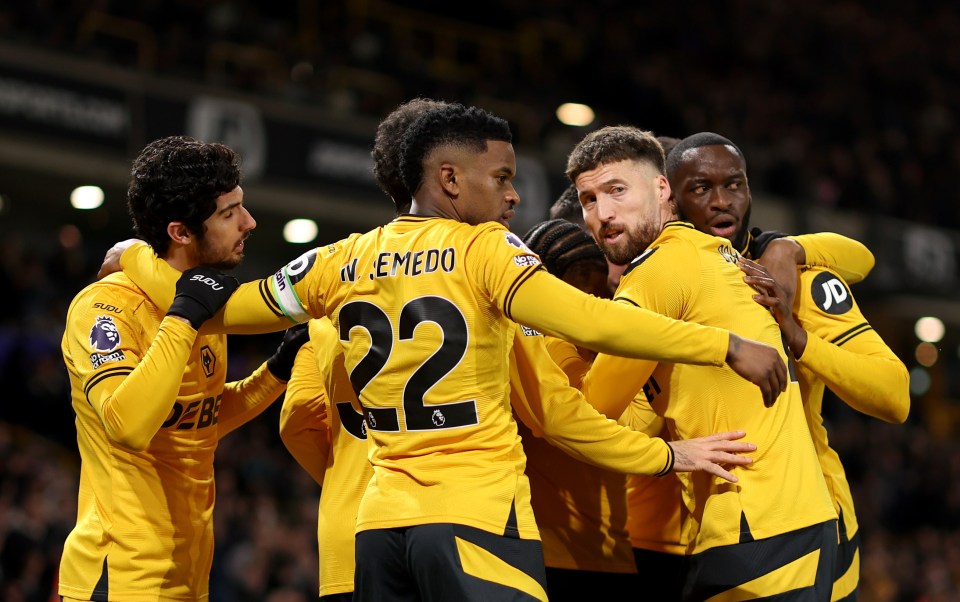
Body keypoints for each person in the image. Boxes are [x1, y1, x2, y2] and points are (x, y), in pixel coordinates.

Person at [112, 103, 787, 601]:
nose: (514, 194)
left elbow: (225, 309)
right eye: (500, 176)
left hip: (379, 531)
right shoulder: (487, 251)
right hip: (475, 518)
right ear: (450, 180)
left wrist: (141, 259)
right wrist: (723, 344)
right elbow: (592, 322)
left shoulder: (337, 261)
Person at [567, 125, 839, 600]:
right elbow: (646, 412)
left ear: (662, 189)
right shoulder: (713, 254)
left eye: (616, 191)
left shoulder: (657, 273)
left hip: (756, 530)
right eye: (588, 200)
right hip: (791, 521)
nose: (603, 214)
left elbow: (590, 411)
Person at [59, 136, 307, 601]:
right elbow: (128, 423)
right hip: (119, 578)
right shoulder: (105, 307)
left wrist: (274, 372)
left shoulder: (202, 308)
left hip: (189, 578)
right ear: (180, 232)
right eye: (229, 213)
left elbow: (199, 420)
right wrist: (182, 319)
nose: (249, 222)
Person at [666, 131, 911, 600]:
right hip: (716, 530)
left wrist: (797, 335)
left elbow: (895, 395)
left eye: (734, 185)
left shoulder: (790, 279)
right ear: (671, 200)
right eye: (701, 189)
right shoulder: (660, 280)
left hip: (808, 527)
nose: (721, 202)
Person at [278, 98, 449, 602]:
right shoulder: (485, 275)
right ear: (448, 172)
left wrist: (345, 473)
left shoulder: (334, 283)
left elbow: (299, 419)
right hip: (456, 527)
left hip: (353, 534)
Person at [517, 218, 639, 599]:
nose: (597, 303)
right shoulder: (542, 348)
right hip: (555, 554)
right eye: (586, 291)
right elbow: (591, 416)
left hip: (609, 553)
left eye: (600, 291)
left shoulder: (595, 352)